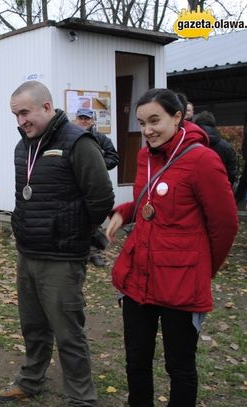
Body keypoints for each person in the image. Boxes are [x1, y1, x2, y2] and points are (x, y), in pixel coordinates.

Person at [106, 88, 238, 407]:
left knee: (179, 367)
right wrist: (125, 212)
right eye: (142, 123)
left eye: (155, 120)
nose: (148, 130)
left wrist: (203, 268)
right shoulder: (143, 157)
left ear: (177, 118)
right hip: (140, 278)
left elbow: (225, 224)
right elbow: (145, 201)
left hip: (181, 284)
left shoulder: (202, 160)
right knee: (136, 361)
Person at [0, 81, 114, 405]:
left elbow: (101, 199)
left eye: (25, 112)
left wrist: (75, 231)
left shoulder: (79, 143)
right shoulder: (24, 147)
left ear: (47, 107)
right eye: (15, 115)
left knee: (68, 333)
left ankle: (80, 396)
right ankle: (31, 380)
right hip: (28, 253)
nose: (20, 121)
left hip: (62, 259)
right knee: (32, 327)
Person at [74, 107, 119, 267]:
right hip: (76, 186)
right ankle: (82, 252)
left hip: (95, 185)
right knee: (78, 217)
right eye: (81, 118)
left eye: (87, 118)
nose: (84, 121)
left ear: (93, 120)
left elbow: (114, 157)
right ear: (76, 119)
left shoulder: (101, 138)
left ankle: (95, 253)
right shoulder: (69, 137)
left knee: (93, 216)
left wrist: (97, 166)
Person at [193, 110, 237, 187]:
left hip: (196, 188)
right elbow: (232, 173)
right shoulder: (226, 147)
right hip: (220, 187)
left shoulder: (190, 144)